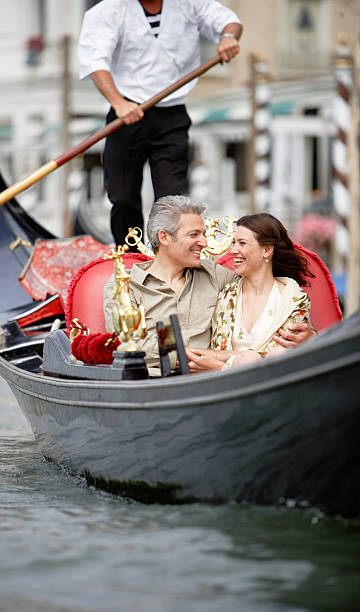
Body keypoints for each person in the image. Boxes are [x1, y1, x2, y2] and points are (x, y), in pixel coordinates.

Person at [78, 0, 243, 247]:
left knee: (170, 201)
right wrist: (119, 103)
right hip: (126, 114)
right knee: (123, 197)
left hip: (172, 115)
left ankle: (166, 263)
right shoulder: (109, 10)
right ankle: (129, 257)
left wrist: (228, 37)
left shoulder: (188, 3)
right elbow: (96, 61)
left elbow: (228, 21)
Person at [103, 197, 315, 375]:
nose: (204, 242)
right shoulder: (124, 285)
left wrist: (309, 337)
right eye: (194, 235)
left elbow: (266, 296)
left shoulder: (215, 275)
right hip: (151, 388)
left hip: (210, 382)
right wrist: (193, 356)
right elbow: (126, 345)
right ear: (164, 237)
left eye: (203, 234)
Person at [185, 212, 314, 372]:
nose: (233, 251)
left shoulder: (293, 298)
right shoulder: (227, 296)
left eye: (242, 243)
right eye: (233, 243)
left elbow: (279, 358)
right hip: (228, 387)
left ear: (266, 250)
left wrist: (222, 365)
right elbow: (218, 350)